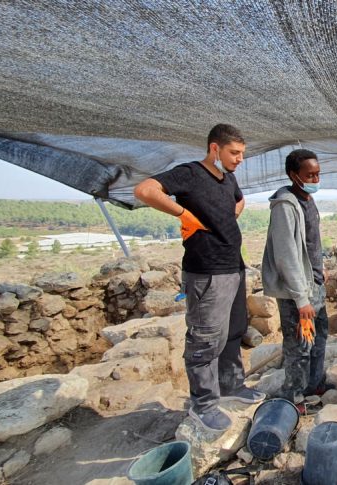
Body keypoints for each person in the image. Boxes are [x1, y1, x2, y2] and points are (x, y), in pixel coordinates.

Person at [133, 124, 262, 433]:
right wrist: (183, 215)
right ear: (214, 149)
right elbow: (145, 190)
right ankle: (202, 405)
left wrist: (227, 218)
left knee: (233, 331)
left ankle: (232, 385)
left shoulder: (228, 179)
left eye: (242, 154)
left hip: (233, 265)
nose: (239, 159)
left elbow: (239, 201)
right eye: (234, 153)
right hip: (205, 271)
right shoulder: (190, 173)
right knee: (205, 340)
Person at [263, 149, 332, 405]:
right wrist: (301, 299)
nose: (315, 180)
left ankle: (314, 385)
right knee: (299, 346)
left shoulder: (307, 200)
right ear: (294, 175)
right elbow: (286, 255)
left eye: (318, 174)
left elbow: (311, 242)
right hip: (298, 291)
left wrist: (319, 267)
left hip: (315, 283)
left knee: (319, 337)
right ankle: (293, 397)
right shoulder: (285, 205)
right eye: (310, 175)